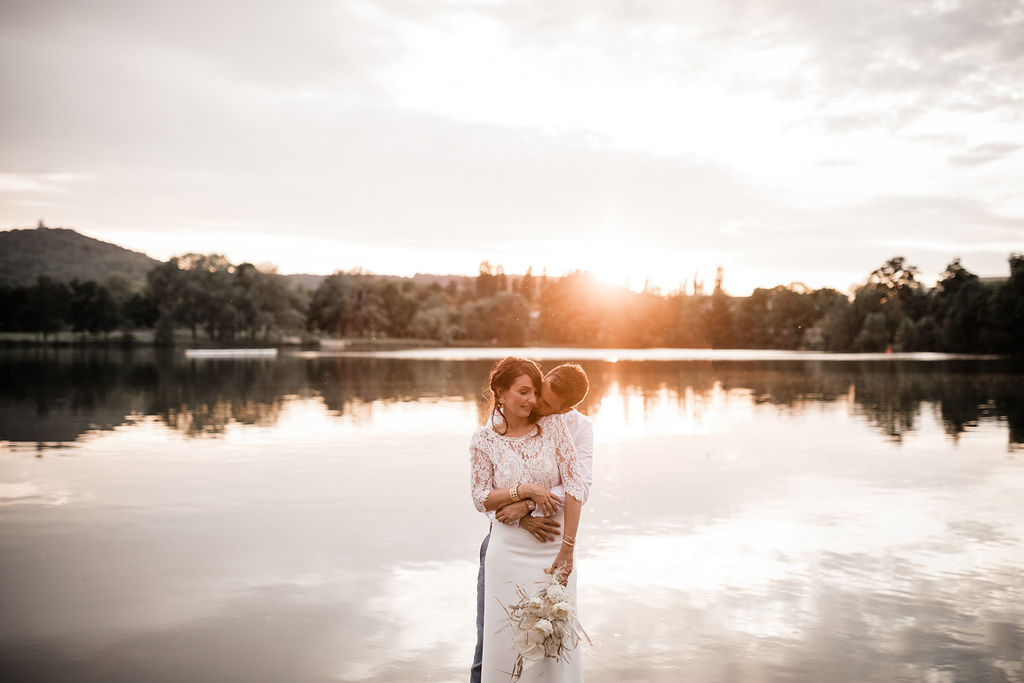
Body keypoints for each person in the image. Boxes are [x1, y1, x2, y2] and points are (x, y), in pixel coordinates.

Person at [470, 358, 591, 683]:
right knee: (496, 642)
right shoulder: (490, 430)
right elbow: (483, 495)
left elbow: (578, 485)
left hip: (552, 550)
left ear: (563, 410)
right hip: (505, 546)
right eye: (529, 392)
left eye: (542, 400)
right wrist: (524, 497)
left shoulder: (558, 425)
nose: (533, 402)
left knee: (553, 647)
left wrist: (566, 548)